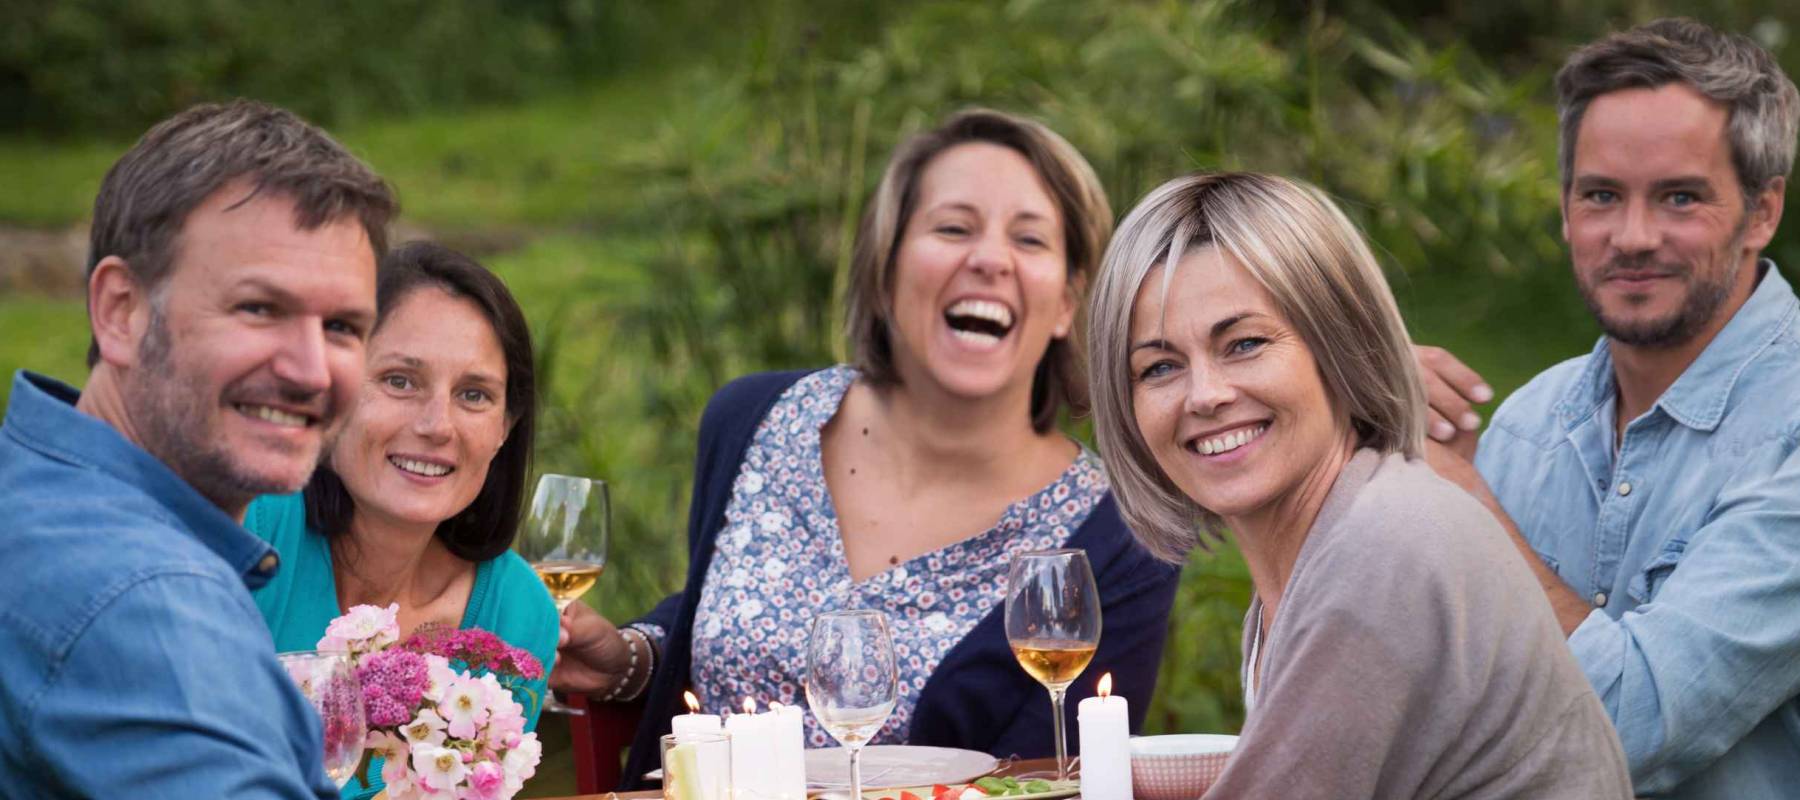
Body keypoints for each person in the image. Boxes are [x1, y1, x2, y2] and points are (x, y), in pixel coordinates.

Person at [552, 109, 1181, 785]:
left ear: (1066, 302)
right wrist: (629, 661)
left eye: (1029, 240)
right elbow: (726, 619)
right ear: (885, 271)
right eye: (952, 228)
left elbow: (1061, 780)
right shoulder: (751, 420)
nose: (989, 259)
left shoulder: (1121, 537)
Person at [1087, 172, 1632, 798]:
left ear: (1339, 346)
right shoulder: (1332, 541)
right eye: (1159, 367)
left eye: (1244, 344)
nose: (1206, 394)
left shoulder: (1384, 546)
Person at [1414, 18, 1800, 799]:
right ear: (1565, 210)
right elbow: (1421, 711)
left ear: (1763, 212)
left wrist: (1460, 510)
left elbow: (1630, 724)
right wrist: (1359, 443)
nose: (1631, 236)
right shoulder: (1527, 424)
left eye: (1680, 197)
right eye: (1601, 196)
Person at [0, 100, 395, 797]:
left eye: (341, 326)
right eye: (259, 308)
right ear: (121, 311)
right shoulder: (148, 604)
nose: (310, 369)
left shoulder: (32, 487)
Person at [244, 241, 558, 799]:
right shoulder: (251, 532)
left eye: (473, 394)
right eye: (399, 381)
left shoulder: (517, 611)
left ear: (507, 426)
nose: (437, 425)